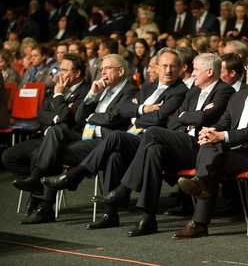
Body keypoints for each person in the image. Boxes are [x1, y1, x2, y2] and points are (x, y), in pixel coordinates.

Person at [83, 53, 235, 235]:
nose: (192, 74)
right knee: (153, 150)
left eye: (195, 69)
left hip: (202, 148)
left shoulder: (225, 90)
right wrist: (189, 117)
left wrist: (185, 116)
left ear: (209, 71)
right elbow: (172, 121)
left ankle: (124, 189)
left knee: (153, 132)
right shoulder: (193, 91)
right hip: (181, 143)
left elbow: (205, 117)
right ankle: (148, 219)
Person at [41, 48, 190, 229]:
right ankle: (110, 214)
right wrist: (143, 109)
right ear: (157, 67)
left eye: (173, 66)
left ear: (180, 69)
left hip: (152, 141)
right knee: (114, 154)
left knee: (116, 137)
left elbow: (159, 118)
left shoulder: (180, 90)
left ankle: (75, 174)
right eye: (164, 66)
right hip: (133, 137)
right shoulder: (148, 87)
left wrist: (136, 112)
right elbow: (124, 110)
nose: (168, 70)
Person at [10, 54, 139, 223]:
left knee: (53, 151)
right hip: (86, 137)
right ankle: (38, 180)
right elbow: (79, 118)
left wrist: (90, 116)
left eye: (107, 68)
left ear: (121, 71)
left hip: (104, 141)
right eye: (101, 69)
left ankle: (45, 206)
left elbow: (111, 118)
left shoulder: (130, 90)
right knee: (55, 133)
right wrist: (92, 94)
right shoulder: (102, 89)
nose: (103, 73)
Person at [171, 53, 248, 239]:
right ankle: (200, 185)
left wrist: (221, 135)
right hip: (230, 148)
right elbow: (224, 121)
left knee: (211, 163)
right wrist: (211, 131)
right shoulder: (237, 96)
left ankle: (199, 218)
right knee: (209, 145)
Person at [2, 53, 90, 223]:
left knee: (39, 154)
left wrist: (58, 99)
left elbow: (69, 118)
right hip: (48, 135)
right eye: (60, 69)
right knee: (8, 156)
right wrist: (57, 116)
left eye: (64, 70)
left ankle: (42, 201)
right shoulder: (58, 87)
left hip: (71, 138)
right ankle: (37, 185)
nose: (60, 74)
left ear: (77, 73)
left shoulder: (85, 92)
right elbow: (41, 115)